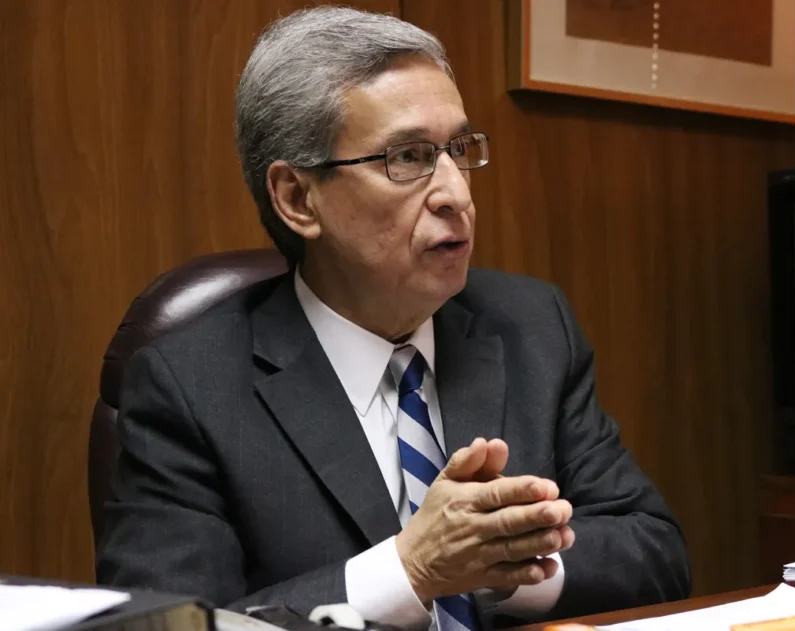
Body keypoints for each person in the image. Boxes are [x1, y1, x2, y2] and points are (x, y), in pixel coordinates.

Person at [95, 6, 690, 629]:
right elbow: (164, 624)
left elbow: (656, 554)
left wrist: (508, 564)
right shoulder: (191, 388)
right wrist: (410, 570)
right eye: (407, 157)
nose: (456, 193)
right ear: (297, 199)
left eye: (459, 150)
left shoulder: (532, 327)